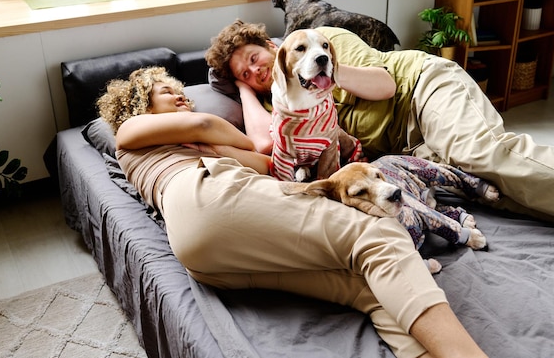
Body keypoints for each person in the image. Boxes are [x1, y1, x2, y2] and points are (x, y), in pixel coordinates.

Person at [96, 66, 489, 358]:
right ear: (138, 103)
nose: (181, 96)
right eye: (166, 92)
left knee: (365, 290)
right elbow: (219, 129)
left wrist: (217, 145)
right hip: (205, 197)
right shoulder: (128, 133)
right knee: (380, 236)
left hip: (204, 256)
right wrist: (212, 138)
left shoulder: (183, 147)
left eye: (181, 92)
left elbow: (264, 163)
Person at [205, 19, 554, 240]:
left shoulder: (321, 40)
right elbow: (264, 141)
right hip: (408, 147)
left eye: (256, 57)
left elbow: (385, 86)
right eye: (248, 72)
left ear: (273, 46)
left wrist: (323, 65)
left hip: (421, 90)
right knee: (487, 189)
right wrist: (245, 87)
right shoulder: (278, 102)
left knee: (483, 154)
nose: (256, 69)